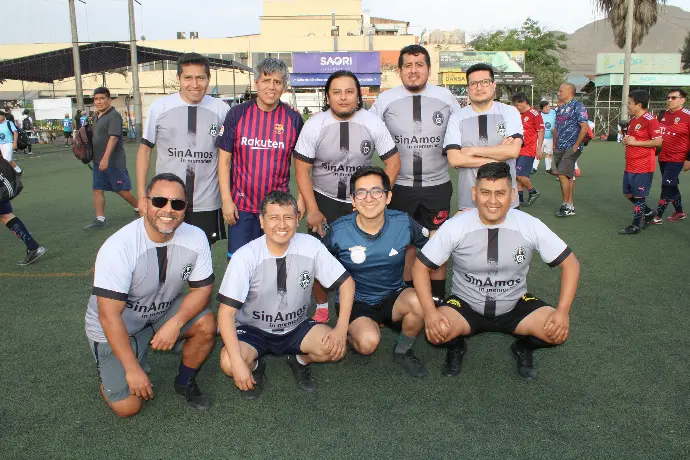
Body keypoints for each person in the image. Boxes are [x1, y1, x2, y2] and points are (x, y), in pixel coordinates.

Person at [412, 162, 580, 379]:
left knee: (557, 333)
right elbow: (420, 267)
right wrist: (430, 313)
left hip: (515, 305)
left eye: (500, 193)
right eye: (485, 192)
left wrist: (562, 312)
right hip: (466, 305)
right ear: (474, 193)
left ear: (512, 195)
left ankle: (523, 348)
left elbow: (571, 264)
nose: (492, 201)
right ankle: (456, 346)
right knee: (436, 333)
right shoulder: (456, 225)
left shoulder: (530, 224)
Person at [85, 173, 217, 417]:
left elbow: (202, 290)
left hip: (159, 313)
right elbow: (109, 316)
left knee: (206, 324)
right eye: (159, 201)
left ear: (185, 208)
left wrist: (175, 323)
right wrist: (132, 369)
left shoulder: (196, 236)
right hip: (118, 326)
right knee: (128, 408)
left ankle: (185, 381)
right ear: (144, 204)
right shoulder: (119, 247)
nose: (168, 210)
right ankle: (116, 368)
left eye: (177, 204)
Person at [217, 191, 354, 399]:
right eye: (274, 217)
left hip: (296, 326)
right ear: (261, 221)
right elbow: (225, 313)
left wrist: (341, 329)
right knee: (229, 363)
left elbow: (347, 283)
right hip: (253, 330)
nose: (281, 224)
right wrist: (238, 363)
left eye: (288, 217)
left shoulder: (311, 246)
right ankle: (255, 366)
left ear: (297, 219)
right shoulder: (244, 256)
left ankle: (299, 361)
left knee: (334, 349)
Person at [294, 70, 400, 323]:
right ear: (327, 97)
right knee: (319, 256)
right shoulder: (314, 125)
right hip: (324, 200)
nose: (343, 97)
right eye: (337, 92)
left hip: (360, 202)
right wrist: (312, 209)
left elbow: (394, 163)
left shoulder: (372, 123)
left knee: (362, 256)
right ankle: (322, 305)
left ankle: (365, 304)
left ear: (358, 96)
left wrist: (376, 199)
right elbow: (301, 170)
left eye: (349, 92)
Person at [370, 44, 461, 304]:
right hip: (400, 187)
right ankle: (409, 297)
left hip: (437, 185)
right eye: (408, 65)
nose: (413, 70)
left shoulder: (446, 97)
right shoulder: (385, 100)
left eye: (419, 65)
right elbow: (366, 130)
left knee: (437, 242)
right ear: (399, 71)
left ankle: (438, 297)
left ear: (428, 69)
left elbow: (464, 129)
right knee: (406, 245)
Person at [322, 166, 429, 376]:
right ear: (353, 200)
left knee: (420, 302)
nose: (369, 198)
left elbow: (432, 246)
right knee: (367, 344)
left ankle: (403, 350)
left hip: (393, 295)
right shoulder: (339, 231)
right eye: (361, 192)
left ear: (388, 197)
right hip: (356, 301)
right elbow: (318, 263)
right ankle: (355, 334)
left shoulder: (403, 223)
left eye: (376, 191)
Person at [137, 53, 230, 246]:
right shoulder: (160, 107)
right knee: (165, 250)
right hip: (167, 201)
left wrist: (227, 197)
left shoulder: (221, 109)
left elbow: (228, 156)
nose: (194, 84)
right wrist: (141, 195)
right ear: (179, 78)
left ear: (208, 78)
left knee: (202, 251)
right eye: (188, 78)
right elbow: (145, 150)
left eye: (200, 78)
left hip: (207, 202)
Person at [216, 58, 304, 260]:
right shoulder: (237, 114)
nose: (271, 87)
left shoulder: (293, 119)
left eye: (277, 82)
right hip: (241, 208)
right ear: (256, 82)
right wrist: (226, 200)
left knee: (275, 262)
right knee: (240, 264)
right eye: (266, 80)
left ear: (284, 86)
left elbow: (302, 165)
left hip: (278, 208)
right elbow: (224, 161)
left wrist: (301, 199)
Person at [444, 63, 522, 212]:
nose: (479, 87)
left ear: (493, 85)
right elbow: (454, 159)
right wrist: (500, 156)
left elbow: (513, 151)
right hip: (469, 200)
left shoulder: (509, 112)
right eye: (473, 83)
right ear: (468, 88)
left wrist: (472, 151)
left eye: (484, 82)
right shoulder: (457, 118)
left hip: (505, 200)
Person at [84, 87, 139, 230]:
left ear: (109, 100)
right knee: (97, 189)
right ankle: (100, 219)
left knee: (121, 189)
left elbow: (113, 138)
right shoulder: (97, 116)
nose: (99, 101)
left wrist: (105, 159)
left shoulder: (113, 115)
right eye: (96, 99)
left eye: (102, 98)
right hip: (98, 160)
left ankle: (139, 208)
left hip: (113, 160)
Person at [618, 91, 661, 235]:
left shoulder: (650, 119)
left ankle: (635, 225)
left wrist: (635, 142)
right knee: (627, 193)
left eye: (630, 103)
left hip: (643, 165)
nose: (627, 106)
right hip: (630, 164)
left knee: (638, 196)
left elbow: (658, 141)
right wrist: (627, 141)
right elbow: (632, 139)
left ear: (639, 104)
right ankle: (648, 212)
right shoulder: (633, 120)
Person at [651, 88, 689, 224]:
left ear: (682, 100)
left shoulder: (688, 116)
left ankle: (657, 216)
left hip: (678, 157)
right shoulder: (662, 115)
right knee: (671, 184)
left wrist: (688, 159)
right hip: (663, 156)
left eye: (673, 98)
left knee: (666, 184)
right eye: (668, 98)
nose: (669, 100)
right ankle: (680, 212)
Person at [553, 83, 588, 217]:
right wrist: (555, 145)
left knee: (562, 174)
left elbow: (584, 127)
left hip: (571, 146)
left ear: (569, 92)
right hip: (559, 147)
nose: (558, 93)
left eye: (560, 91)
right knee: (567, 176)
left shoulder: (578, 106)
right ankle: (571, 206)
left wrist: (576, 145)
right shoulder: (560, 109)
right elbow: (556, 128)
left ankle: (565, 205)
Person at [511, 92, 544, 206]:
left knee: (520, 174)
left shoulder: (534, 114)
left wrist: (539, 149)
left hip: (528, 150)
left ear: (524, 102)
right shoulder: (518, 114)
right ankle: (519, 198)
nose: (516, 107)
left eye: (517, 105)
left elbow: (541, 131)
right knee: (516, 175)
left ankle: (533, 192)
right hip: (517, 149)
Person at [534, 100, 556, 174]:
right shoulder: (538, 115)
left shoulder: (554, 112)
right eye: (546, 107)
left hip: (551, 138)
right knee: (538, 152)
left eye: (549, 106)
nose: (548, 108)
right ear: (541, 109)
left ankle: (548, 169)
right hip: (540, 138)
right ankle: (534, 168)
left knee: (549, 153)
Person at [0, 110, 22, 175]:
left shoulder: (9, 123)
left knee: (6, 159)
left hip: (8, 143)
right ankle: (19, 171)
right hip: (1, 144)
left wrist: (14, 143)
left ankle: (7, 174)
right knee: (8, 160)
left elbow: (15, 132)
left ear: (3, 116)